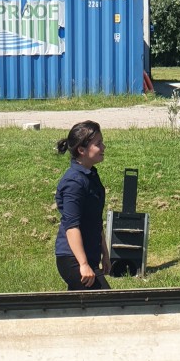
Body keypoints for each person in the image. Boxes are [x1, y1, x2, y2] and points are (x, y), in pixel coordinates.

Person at [55, 120, 111, 290]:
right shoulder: (74, 182)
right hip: (72, 258)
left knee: (80, 310)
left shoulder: (90, 176)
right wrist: (84, 264)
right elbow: (72, 227)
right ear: (82, 150)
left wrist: (105, 254)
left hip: (88, 256)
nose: (103, 147)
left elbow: (95, 220)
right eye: (98, 144)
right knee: (108, 304)